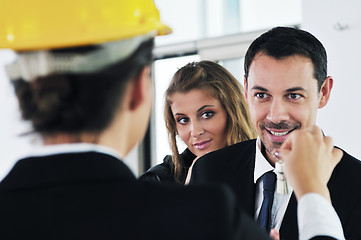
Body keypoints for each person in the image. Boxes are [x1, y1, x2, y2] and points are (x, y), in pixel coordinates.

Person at [0, 1, 345, 239]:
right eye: (262, 94)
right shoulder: (203, 218)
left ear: (21, 92)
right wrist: (315, 197)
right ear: (138, 90)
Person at [189, 26, 361, 239]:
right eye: (262, 95)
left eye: (294, 96)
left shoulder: (357, 186)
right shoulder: (208, 172)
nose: (276, 116)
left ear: (323, 92)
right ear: (245, 90)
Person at [139, 60, 256, 184]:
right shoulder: (156, 182)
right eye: (183, 120)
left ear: (233, 113)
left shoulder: (265, 169)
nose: (195, 132)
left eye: (206, 115)